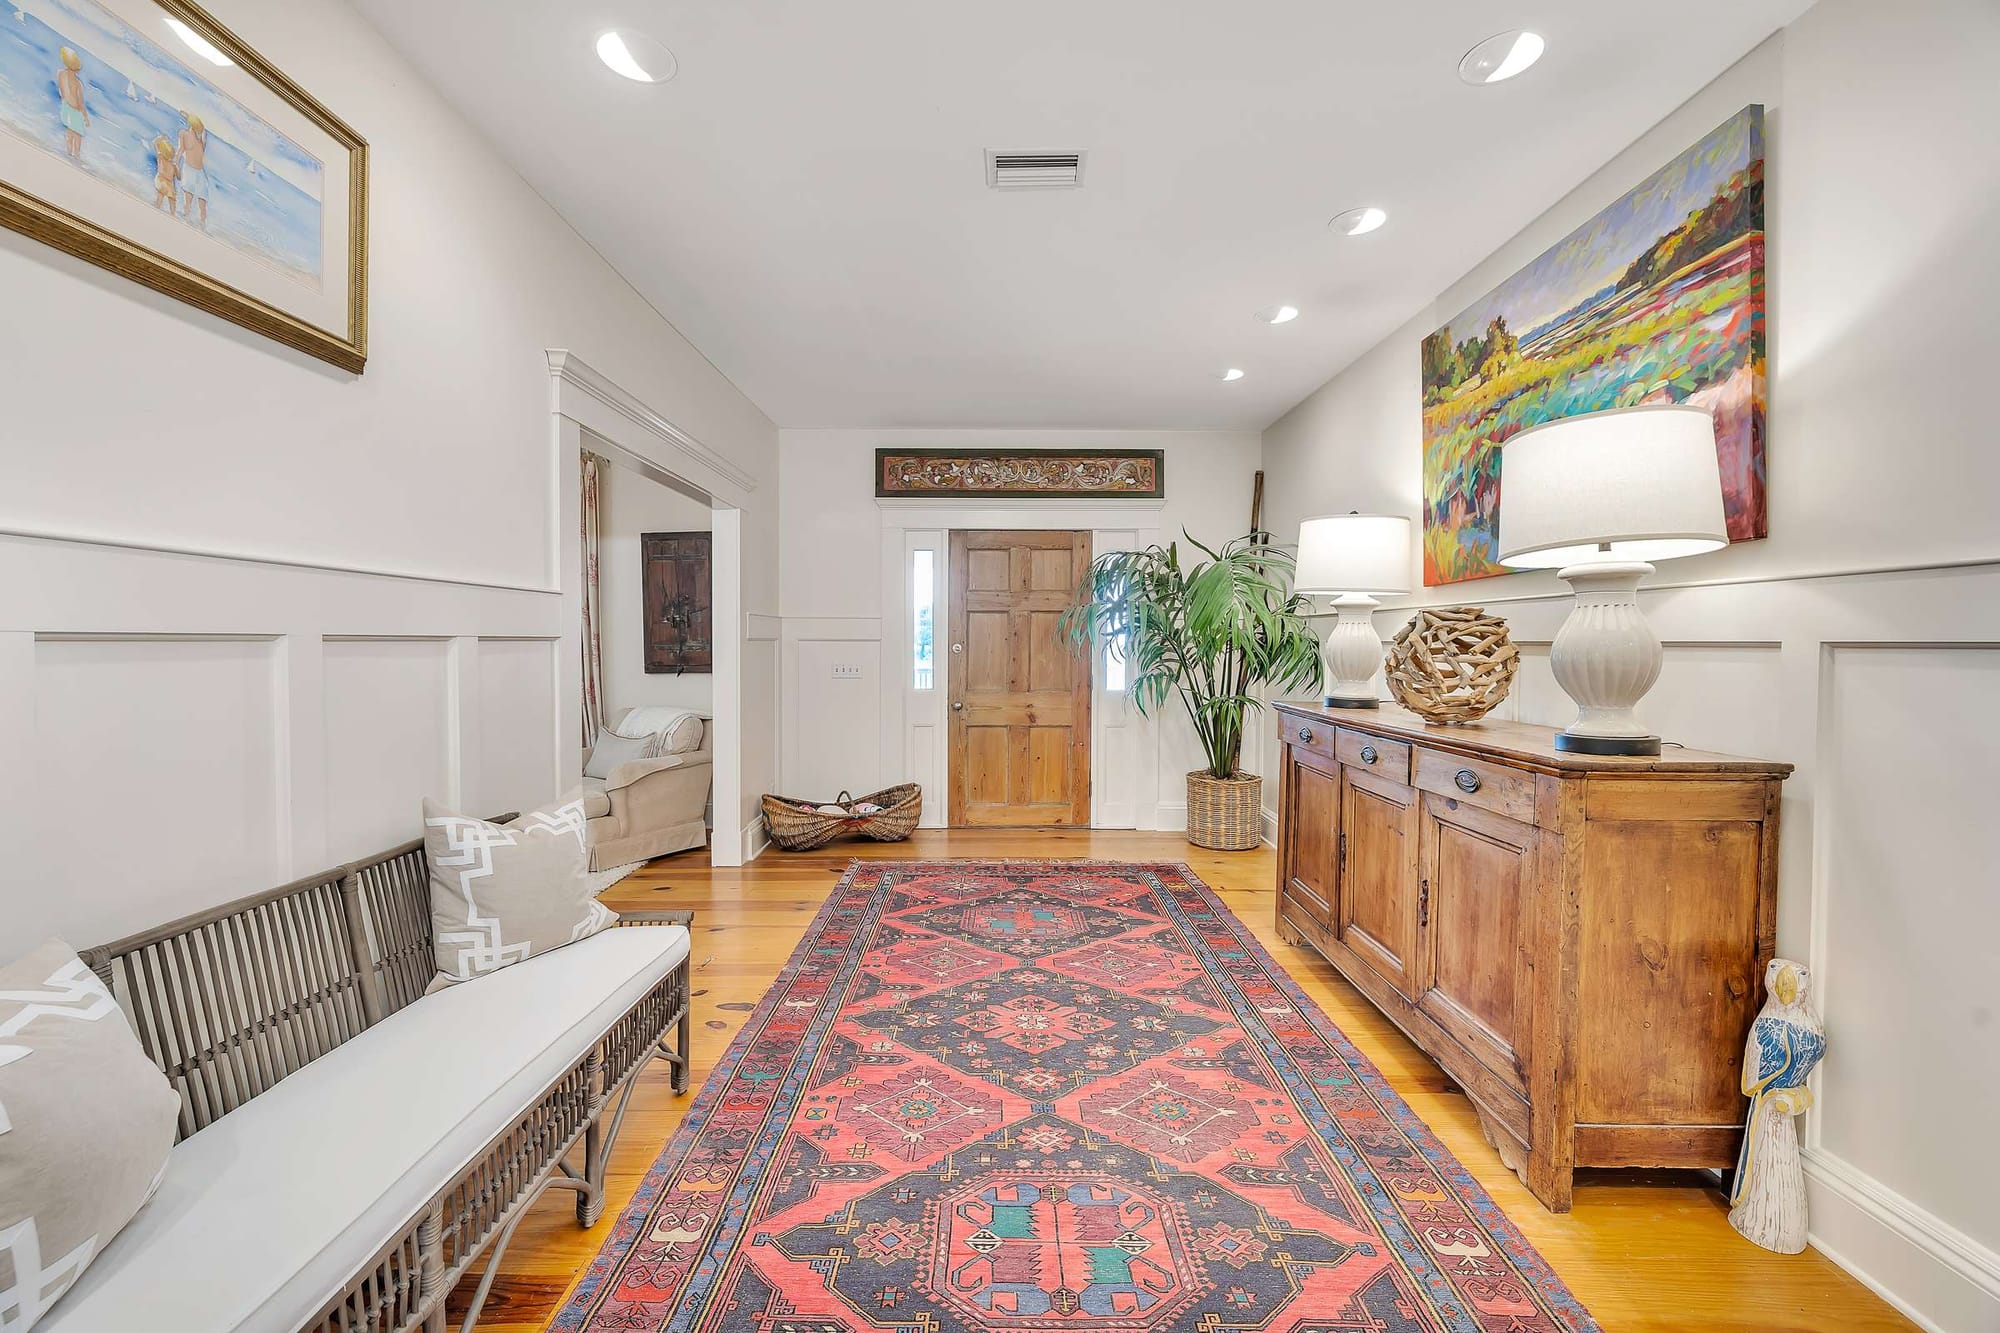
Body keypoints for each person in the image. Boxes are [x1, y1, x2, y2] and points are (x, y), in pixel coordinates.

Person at [56, 47, 88, 162]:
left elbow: (62, 91)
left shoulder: (60, 73)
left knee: (70, 132)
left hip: (65, 106)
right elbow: (80, 102)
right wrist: (85, 117)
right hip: (75, 110)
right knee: (77, 135)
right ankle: (76, 157)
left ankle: (68, 154)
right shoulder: (77, 83)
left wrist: (65, 100)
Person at [177, 112, 209, 226]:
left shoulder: (201, 141)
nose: (200, 130)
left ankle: (202, 226)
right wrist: (175, 163)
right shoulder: (184, 133)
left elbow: (204, 131)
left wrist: (188, 116)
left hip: (200, 173)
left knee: (203, 202)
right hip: (189, 169)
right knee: (188, 198)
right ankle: (185, 220)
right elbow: (181, 150)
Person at [152, 135, 177, 210]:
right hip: (163, 180)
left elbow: (155, 143)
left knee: (168, 199)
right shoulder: (161, 157)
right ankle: (158, 208)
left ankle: (170, 214)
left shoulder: (168, 161)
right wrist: (161, 138)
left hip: (166, 182)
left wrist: (161, 138)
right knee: (165, 198)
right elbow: (155, 143)